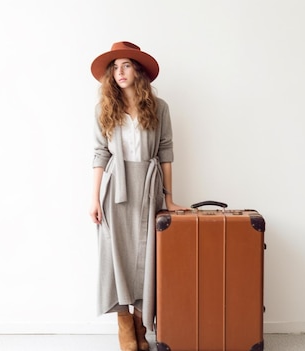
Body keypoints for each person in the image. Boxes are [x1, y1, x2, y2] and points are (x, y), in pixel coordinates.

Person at [89, 41, 185, 351]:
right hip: (115, 189)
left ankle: (143, 330)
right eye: (115, 67)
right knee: (118, 256)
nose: (120, 72)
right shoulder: (103, 108)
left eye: (126, 65)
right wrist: (93, 199)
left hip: (147, 187)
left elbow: (166, 152)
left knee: (147, 257)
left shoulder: (159, 108)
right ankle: (125, 332)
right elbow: (100, 153)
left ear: (138, 71)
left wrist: (169, 198)